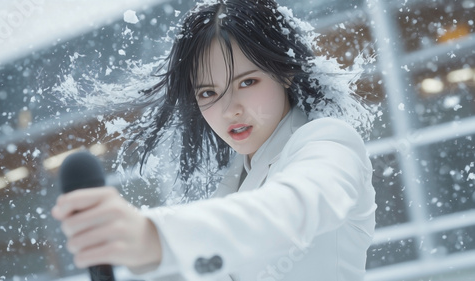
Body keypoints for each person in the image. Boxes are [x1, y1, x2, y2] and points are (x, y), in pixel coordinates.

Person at [51, 0, 377, 280]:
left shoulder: (329, 144)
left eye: (247, 82)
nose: (229, 109)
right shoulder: (236, 183)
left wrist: (154, 237)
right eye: (208, 92)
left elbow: (289, 210)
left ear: (284, 71)